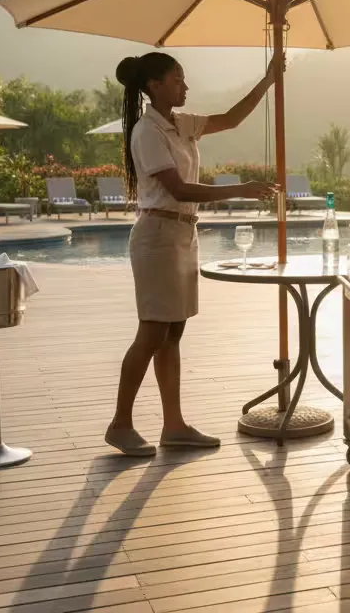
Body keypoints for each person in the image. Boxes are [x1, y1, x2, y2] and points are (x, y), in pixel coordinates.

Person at [105, 51, 279, 456]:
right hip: (157, 235)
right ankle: (120, 424)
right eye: (178, 80)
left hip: (182, 235)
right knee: (151, 331)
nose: (185, 86)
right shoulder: (147, 132)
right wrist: (240, 190)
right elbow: (179, 189)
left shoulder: (181, 123)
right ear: (154, 85)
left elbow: (232, 118)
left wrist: (268, 80)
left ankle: (174, 425)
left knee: (173, 332)